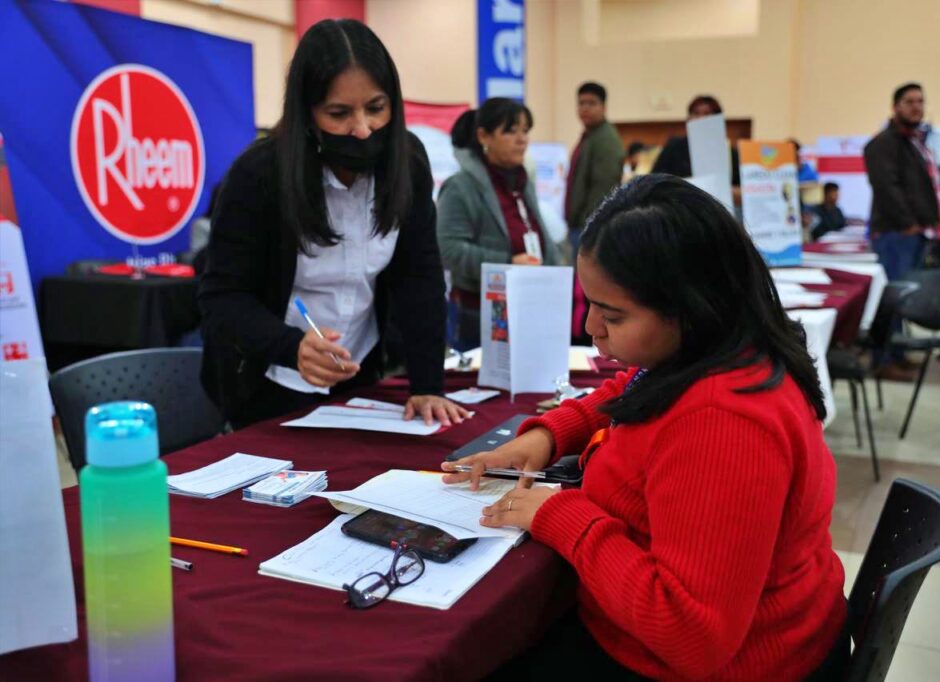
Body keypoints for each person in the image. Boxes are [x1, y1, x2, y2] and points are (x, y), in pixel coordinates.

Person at [444, 175, 849, 680]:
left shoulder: (724, 423)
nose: (591, 328)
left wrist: (562, 515)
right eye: (589, 303)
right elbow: (632, 389)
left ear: (690, 306)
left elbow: (692, 637)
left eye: (612, 315)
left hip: (721, 664)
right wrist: (548, 434)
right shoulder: (710, 349)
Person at [199, 19, 468, 429]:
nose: (361, 130)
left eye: (376, 108)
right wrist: (291, 348)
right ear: (307, 113)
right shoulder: (259, 175)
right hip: (266, 386)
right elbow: (222, 298)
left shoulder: (407, 162)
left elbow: (420, 277)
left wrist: (427, 383)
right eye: (339, 114)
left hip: (361, 378)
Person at [436, 98, 561, 350]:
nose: (522, 139)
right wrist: (508, 263)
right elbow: (449, 250)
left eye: (525, 131)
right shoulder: (460, 187)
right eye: (511, 131)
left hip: (529, 307)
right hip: (478, 312)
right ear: (484, 136)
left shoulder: (520, 181)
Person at [863, 82, 940, 281]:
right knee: (899, 297)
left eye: (920, 101)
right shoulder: (883, 143)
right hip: (897, 234)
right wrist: (908, 224)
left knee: (913, 295)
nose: (917, 107)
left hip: (916, 233)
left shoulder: (915, 143)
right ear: (895, 107)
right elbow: (886, 187)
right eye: (909, 102)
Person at [565, 82, 625, 251]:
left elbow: (603, 189)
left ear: (604, 107)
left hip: (590, 227)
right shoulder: (591, 136)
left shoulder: (605, 140)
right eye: (581, 103)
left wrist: (589, 226)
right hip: (581, 225)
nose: (585, 108)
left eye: (591, 103)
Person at [652, 95, 741, 202]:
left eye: (707, 114)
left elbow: (739, 187)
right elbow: (655, 179)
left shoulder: (728, 152)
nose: (701, 118)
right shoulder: (674, 146)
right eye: (696, 113)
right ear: (688, 119)